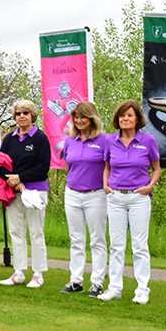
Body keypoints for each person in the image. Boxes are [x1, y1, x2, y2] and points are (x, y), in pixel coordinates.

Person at [99, 101, 161, 304]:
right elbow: (107, 166)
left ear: (137, 119)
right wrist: (106, 185)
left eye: (129, 116)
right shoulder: (110, 140)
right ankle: (114, 287)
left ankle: (142, 289)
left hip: (139, 198)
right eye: (122, 116)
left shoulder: (148, 140)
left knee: (139, 245)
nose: (125, 119)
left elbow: (157, 168)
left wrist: (150, 186)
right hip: (115, 197)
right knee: (116, 245)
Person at [0, 100, 51, 288]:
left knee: (36, 232)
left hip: (35, 191)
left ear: (32, 116)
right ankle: (18, 271)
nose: (22, 116)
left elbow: (42, 168)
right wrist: (12, 179)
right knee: (16, 231)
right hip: (13, 191)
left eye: (25, 113)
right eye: (18, 113)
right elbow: (0, 162)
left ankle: (38, 274)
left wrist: (20, 178)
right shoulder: (10, 138)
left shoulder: (40, 138)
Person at [60, 101, 109, 296]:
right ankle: (76, 280)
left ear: (92, 118)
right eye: (76, 117)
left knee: (97, 239)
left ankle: (97, 283)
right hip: (72, 193)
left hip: (95, 194)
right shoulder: (71, 140)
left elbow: (109, 166)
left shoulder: (104, 140)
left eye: (83, 117)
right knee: (76, 239)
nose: (79, 121)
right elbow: (68, 165)